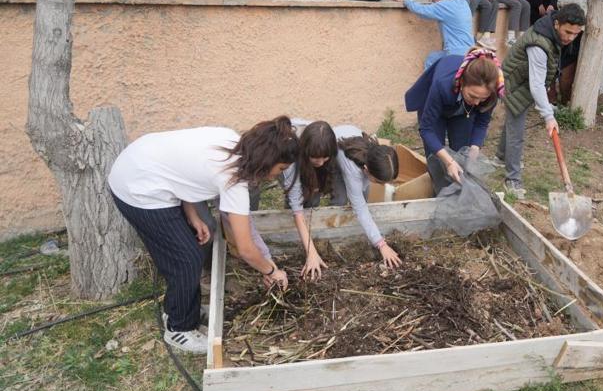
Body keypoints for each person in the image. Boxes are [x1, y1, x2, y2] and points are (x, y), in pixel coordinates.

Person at [108, 116, 296, 354]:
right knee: (186, 258)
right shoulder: (232, 179)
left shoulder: (231, 140)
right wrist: (272, 272)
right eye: (280, 169)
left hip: (140, 162)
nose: (275, 176)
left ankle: (186, 309)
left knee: (189, 251)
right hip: (138, 187)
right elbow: (245, 248)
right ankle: (178, 328)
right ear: (267, 160)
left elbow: (183, 170)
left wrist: (192, 214)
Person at [280, 122, 404, 269]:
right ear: (366, 170)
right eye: (379, 181)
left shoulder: (373, 154)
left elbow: (361, 200)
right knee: (334, 199)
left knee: (358, 195)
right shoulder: (350, 168)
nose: (383, 186)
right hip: (329, 155)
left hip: (331, 151)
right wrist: (381, 244)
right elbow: (360, 207)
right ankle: (319, 234)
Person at [496, 3, 586, 197]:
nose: (570, 38)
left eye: (575, 34)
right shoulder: (539, 43)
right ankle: (512, 179)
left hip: (523, 81)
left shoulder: (549, 32)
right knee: (516, 130)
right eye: (568, 32)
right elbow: (537, 84)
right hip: (514, 83)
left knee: (513, 122)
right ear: (557, 24)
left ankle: (501, 157)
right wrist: (548, 115)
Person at [405, 48, 503, 186]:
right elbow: (426, 129)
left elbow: (481, 123)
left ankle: (459, 192)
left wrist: (474, 148)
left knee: (463, 153)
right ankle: (439, 193)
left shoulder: (491, 92)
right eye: (473, 96)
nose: (476, 103)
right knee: (438, 160)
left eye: (482, 98)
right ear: (462, 83)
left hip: (463, 110)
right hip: (435, 105)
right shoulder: (441, 85)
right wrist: (449, 162)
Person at [395, 0, 475, 70]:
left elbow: (422, 10)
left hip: (455, 54)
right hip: (470, 53)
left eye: (433, 1)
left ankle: (429, 84)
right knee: (435, 57)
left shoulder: (444, 6)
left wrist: (406, 0)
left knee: (431, 60)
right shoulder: (463, 2)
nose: (434, 4)